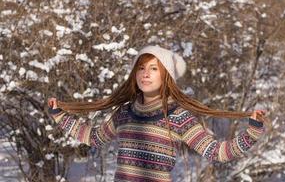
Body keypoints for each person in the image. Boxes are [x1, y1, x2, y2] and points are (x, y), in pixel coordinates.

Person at [48, 45, 266, 182]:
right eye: (141, 68)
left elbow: (216, 152)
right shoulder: (125, 112)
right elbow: (93, 137)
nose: (145, 74)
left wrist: (251, 134)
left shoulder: (177, 117)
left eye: (154, 69)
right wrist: (60, 114)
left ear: (166, 76)